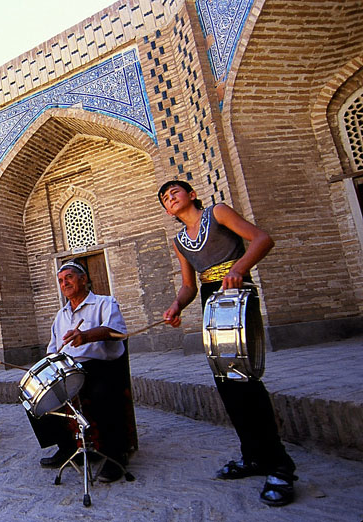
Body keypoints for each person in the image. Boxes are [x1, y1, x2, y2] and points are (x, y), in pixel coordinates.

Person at [158, 179, 297, 507]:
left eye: (174, 192)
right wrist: (177, 305)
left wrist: (237, 269)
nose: (170, 198)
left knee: (245, 379)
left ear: (191, 195)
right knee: (226, 382)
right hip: (211, 299)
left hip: (237, 294)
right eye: (164, 198)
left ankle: (280, 465)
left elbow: (262, 239)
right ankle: (253, 457)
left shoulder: (217, 213)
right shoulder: (180, 241)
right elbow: (189, 286)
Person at [28, 261, 133, 483]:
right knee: (35, 397)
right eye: (60, 281)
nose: (64, 283)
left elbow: (117, 331)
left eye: (69, 278)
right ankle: (66, 447)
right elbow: (53, 350)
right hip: (70, 369)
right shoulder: (61, 316)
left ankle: (115, 454)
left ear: (83, 279)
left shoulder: (105, 303)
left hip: (101, 366)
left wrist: (85, 336)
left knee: (99, 394)